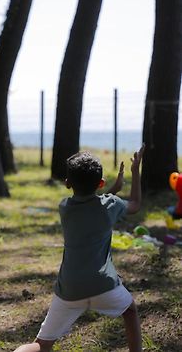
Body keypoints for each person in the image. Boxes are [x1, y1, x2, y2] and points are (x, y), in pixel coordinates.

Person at [14, 145, 145, 352]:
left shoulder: (64, 207)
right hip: (104, 286)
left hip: (70, 289)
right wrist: (135, 170)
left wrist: (113, 190)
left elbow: (94, 205)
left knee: (41, 345)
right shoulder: (110, 205)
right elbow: (134, 204)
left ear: (67, 183)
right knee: (130, 312)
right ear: (100, 183)